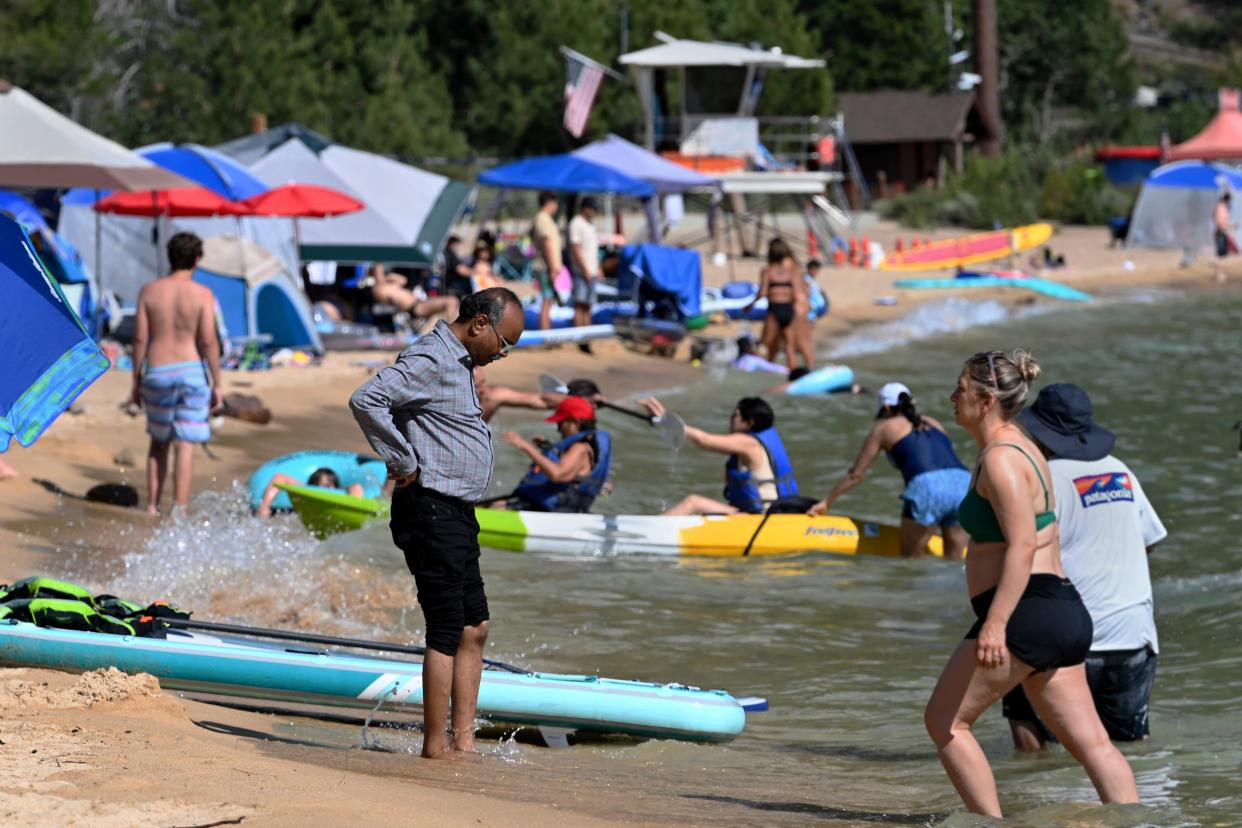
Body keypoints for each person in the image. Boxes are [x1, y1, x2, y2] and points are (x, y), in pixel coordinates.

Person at [924, 350, 1138, 817]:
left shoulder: (1001, 458)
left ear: (984, 399)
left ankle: (989, 825)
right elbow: (1041, 534)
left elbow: (1022, 545)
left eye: (960, 389)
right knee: (1094, 745)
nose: (951, 397)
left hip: (1028, 612)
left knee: (945, 722)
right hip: (1058, 610)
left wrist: (995, 625)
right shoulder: (1026, 450)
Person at [349, 287, 525, 759]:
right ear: (480, 324)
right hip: (429, 508)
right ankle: (435, 747)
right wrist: (402, 460)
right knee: (447, 628)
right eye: (505, 342)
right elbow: (367, 399)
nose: (505, 353)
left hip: (457, 512)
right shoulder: (432, 356)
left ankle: (462, 739)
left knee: (476, 626)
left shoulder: (462, 361)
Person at [1001, 383, 1166, 749]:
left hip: (1073, 637)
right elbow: (1150, 541)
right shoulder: (1121, 472)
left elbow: (1023, 550)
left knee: (1030, 721)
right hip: (1134, 635)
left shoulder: (1042, 477)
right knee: (1130, 747)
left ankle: (1035, 795)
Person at [808, 382, 971, 559]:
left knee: (910, 564)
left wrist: (826, 502)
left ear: (886, 407)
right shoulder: (933, 422)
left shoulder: (884, 428)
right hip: (963, 484)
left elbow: (856, 474)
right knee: (955, 561)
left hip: (927, 488)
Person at [130, 232, 223, 517]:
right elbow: (208, 340)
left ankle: (151, 507)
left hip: (157, 370)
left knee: (158, 442)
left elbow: (139, 340)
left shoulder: (149, 291)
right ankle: (179, 510)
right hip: (191, 370)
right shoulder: (203, 294)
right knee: (185, 443)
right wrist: (217, 383)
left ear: (170, 257)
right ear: (197, 259)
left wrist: (136, 381)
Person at [639, 396, 798, 516]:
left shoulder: (748, 442)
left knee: (693, 502)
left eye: (735, 416)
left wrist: (666, 421)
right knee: (703, 509)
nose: (731, 420)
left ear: (749, 422)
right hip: (761, 514)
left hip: (760, 518)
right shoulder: (760, 441)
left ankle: (647, 534)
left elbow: (704, 440)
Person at [501, 397, 611, 512]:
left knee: (494, 508)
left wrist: (525, 446)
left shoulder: (580, 449)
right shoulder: (583, 447)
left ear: (575, 422)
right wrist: (548, 447)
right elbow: (567, 466)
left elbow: (558, 474)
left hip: (554, 512)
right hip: (546, 507)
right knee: (496, 504)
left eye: (560, 423)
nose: (558, 429)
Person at [744, 239, 806, 369]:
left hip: (774, 310)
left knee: (766, 344)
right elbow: (796, 293)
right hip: (788, 309)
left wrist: (750, 305)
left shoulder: (767, 271)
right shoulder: (791, 271)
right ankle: (793, 374)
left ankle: (763, 371)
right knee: (789, 346)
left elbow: (763, 293)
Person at [367, 263, 460, 326]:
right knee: (451, 301)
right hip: (415, 307)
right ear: (373, 273)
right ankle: (451, 333)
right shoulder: (377, 288)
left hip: (419, 302)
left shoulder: (387, 284)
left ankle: (451, 330)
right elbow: (391, 300)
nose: (381, 272)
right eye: (378, 270)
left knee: (452, 305)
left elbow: (404, 280)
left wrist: (392, 277)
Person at [256, 467, 367, 518]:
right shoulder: (307, 491)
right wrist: (264, 507)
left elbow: (356, 487)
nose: (324, 491)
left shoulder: (340, 493)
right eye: (319, 486)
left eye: (328, 486)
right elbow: (280, 477)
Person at [568, 197, 602, 347]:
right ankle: (579, 338)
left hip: (592, 272)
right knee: (579, 305)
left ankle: (587, 339)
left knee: (588, 306)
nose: (594, 212)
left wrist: (598, 268)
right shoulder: (576, 223)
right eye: (592, 208)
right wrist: (584, 269)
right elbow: (575, 248)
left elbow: (593, 251)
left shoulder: (591, 225)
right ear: (585, 208)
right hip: (581, 272)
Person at [531, 191, 564, 331]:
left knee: (549, 301)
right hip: (545, 267)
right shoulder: (542, 218)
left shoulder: (544, 218)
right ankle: (546, 336)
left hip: (547, 267)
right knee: (546, 301)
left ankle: (547, 333)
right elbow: (546, 243)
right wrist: (552, 267)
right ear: (550, 202)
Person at [1214, 191, 1233, 284]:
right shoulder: (1221, 208)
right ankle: (1220, 274)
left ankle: (1221, 273)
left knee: (1222, 254)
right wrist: (1230, 226)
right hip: (1220, 232)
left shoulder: (1223, 207)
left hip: (1223, 232)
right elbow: (1220, 222)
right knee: (1220, 254)